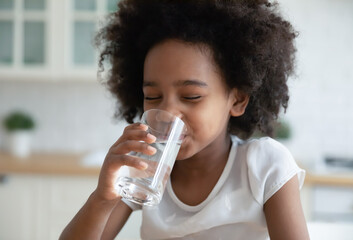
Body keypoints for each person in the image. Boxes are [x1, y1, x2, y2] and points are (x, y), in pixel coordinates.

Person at [60, 0, 310, 239]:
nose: (168, 112)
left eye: (191, 96)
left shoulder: (264, 166)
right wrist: (103, 198)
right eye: (153, 96)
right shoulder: (146, 170)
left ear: (237, 101)